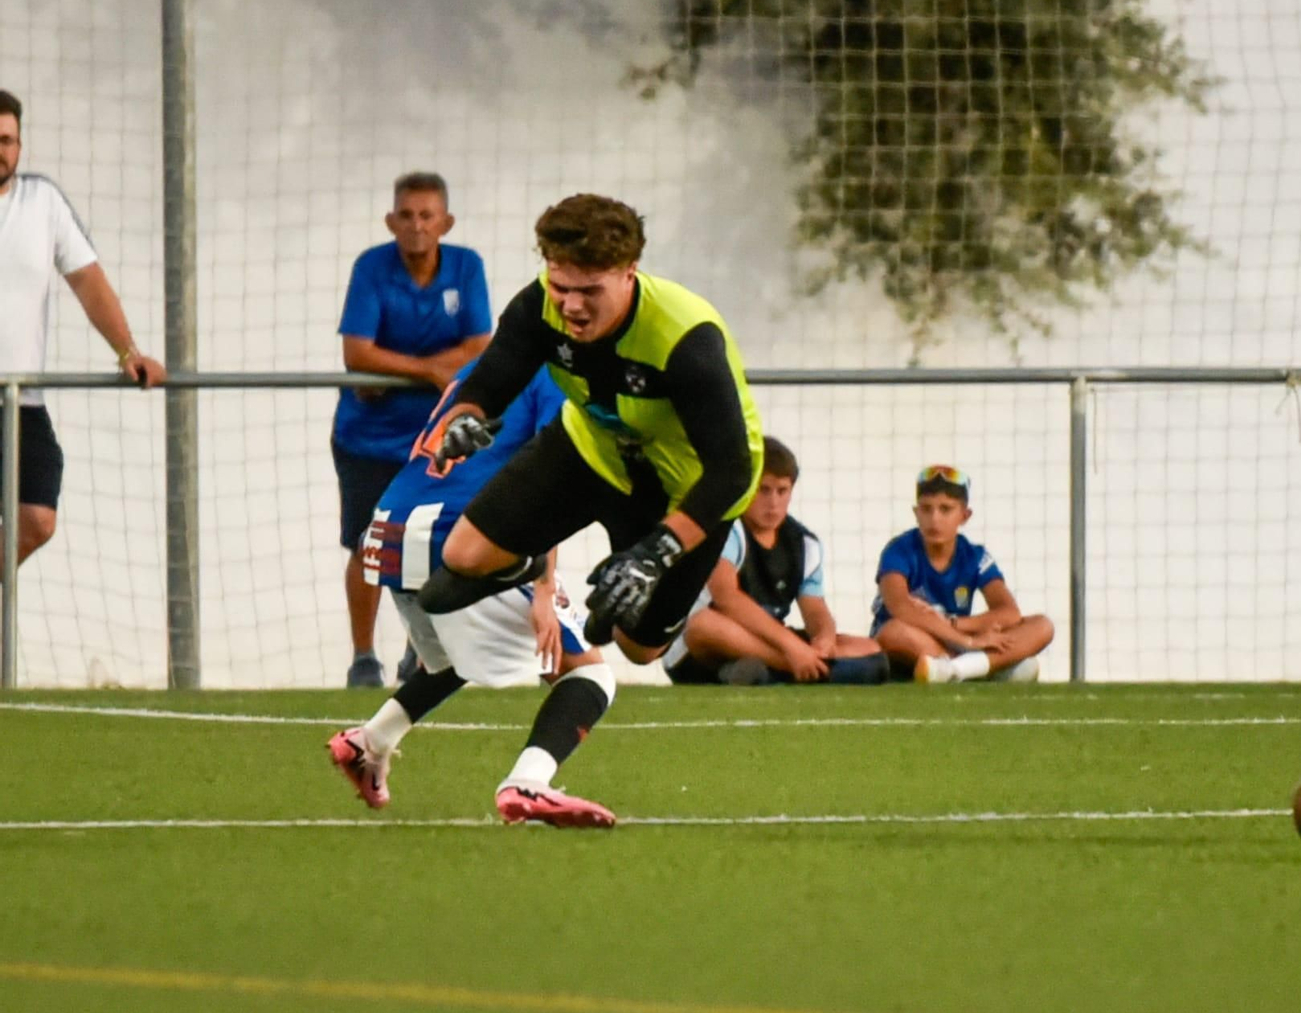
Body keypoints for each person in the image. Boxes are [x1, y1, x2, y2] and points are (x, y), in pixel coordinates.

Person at [414, 193, 764, 684]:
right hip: (592, 451)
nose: (572, 306)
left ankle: (641, 578)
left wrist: (654, 553)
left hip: (688, 486)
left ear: (629, 272)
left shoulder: (686, 339)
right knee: (461, 557)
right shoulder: (541, 304)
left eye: (590, 291)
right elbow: (489, 382)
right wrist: (464, 421)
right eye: (561, 287)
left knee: (639, 647)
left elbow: (731, 471)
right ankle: (527, 559)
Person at [327, 360, 618, 827]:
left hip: (392, 532)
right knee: (587, 676)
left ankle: (371, 741)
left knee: (454, 659)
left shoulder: (482, 366)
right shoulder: (559, 371)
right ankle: (528, 780)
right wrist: (544, 587)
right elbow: (549, 477)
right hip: (457, 532)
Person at [332, 172, 492, 688]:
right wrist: (429, 371)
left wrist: (392, 370)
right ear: (390, 220)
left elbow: (481, 347)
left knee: (434, 542)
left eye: (427, 216)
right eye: (406, 215)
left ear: (446, 222)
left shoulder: (466, 267)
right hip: (367, 437)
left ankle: (419, 652)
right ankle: (363, 659)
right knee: (367, 543)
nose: (416, 226)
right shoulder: (371, 268)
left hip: (437, 437)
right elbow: (357, 353)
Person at [0, 90, 166, 571]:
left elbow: (88, 282)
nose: (1, 150)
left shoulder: (41, 202)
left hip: (20, 402)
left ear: (21, 145)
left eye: (8, 140)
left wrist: (126, 350)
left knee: (37, 518)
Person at [664, 436, 889, 685]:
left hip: (767, 641)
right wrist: (793, 649)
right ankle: (806, 670)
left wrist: (825, 639)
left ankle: (769, 671)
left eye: (782, 491)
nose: (773, 503)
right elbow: (726, 598)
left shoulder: (805, 544)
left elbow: (815, 608)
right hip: (708, 645)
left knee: (869, 647)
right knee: (703, 625)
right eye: (764, 490)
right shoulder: (726, 530)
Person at [870, 465, 1055, 683]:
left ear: (965, 516)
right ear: (916, 513)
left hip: (957, 638)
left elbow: (1008, 612)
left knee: (1042, 625)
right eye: (926, 509)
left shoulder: (976, 556)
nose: (935, 519)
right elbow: (900, 608)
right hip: (920, 642)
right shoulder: (898, 550)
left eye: (945, 509)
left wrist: (956, 625)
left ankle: (956, 670)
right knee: (894, 633)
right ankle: (987, 668)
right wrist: (968, 642)